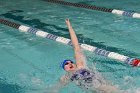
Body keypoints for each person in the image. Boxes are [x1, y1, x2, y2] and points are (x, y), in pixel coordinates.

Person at [58, 19, 127, 93]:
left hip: (102, 86)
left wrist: (69, 27)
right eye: (66, 63)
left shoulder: (80, 66)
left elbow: (76, 46)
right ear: (64, 68)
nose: (70, 63)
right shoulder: (66, 78)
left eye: (71, 62)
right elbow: (57, 88)